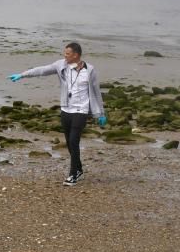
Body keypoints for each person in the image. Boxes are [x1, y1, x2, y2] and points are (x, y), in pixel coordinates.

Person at [8, 42, 107, 186]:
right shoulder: (61, 65)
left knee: (74, 141)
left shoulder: (90, 70)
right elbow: (42, 70)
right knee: (69, 143)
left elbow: (96, 93)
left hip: (81, 110)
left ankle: (73, 175)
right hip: (66, 110)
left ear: (76, 55)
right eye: (64, 53)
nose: (64, 55)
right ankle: (78, 169)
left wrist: (101, 113)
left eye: (67, 53)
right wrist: (22, 75)